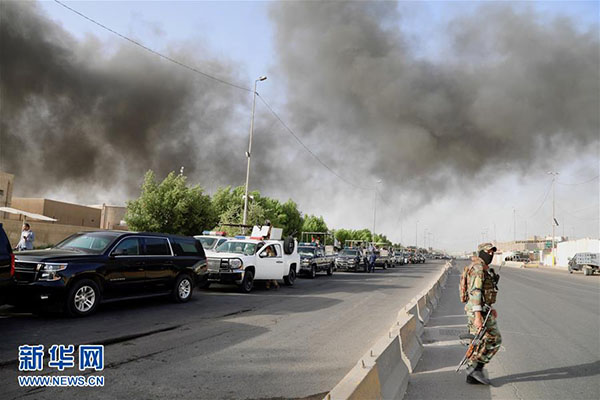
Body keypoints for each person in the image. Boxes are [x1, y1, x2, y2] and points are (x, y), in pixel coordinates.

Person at [464, 242, 501, 385]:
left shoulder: (480, 267)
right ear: (481, 252)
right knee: (493, 339)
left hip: (482, 309)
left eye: (492, 252)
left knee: (478, 342)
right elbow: (475, 291)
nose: (490, 254)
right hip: (477, 310)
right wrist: (478, 315)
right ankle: (475, 369)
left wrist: (489, 308)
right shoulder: (478, 268)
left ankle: (473, 374)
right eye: (488, 252)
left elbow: (482, 293)